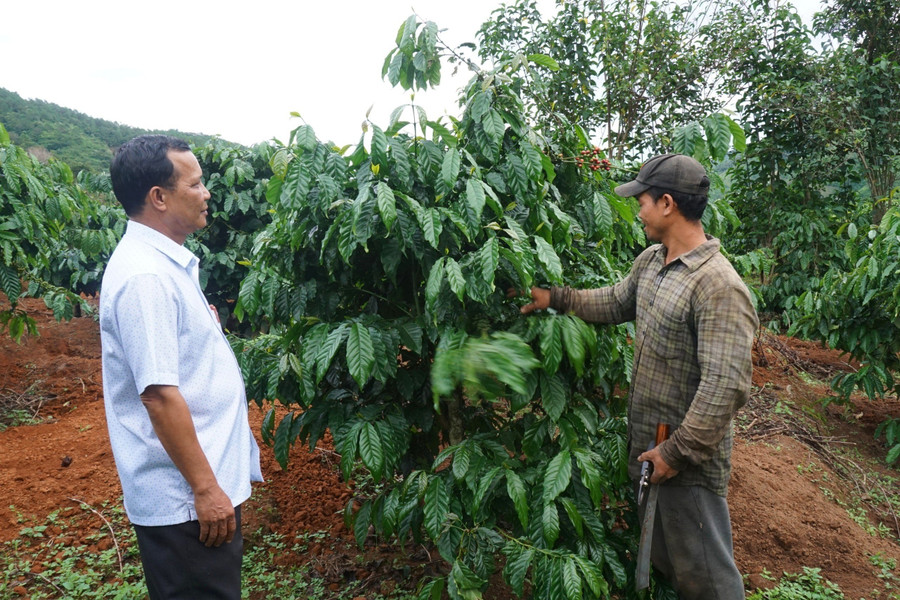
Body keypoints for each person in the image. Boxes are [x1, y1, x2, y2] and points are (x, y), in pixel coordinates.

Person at [518, 154, 757, 599]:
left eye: (642, 201)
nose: (638, 210)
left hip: (685, 465)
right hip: (651, 450)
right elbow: (614, 302)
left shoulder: (718, 286)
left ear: (667, 204)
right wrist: (554, 298)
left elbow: (726, 387)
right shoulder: (652, 261)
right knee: (670, 564)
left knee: (707, 580)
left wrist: (676, 453)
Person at [100, 135, 262, 599]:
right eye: (196, 183)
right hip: (186, 504)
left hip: (196, 495)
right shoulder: (146, 277)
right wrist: (207, 489)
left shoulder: (163, 264)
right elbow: (157, 395)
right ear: (159, 197)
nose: (207, 192)